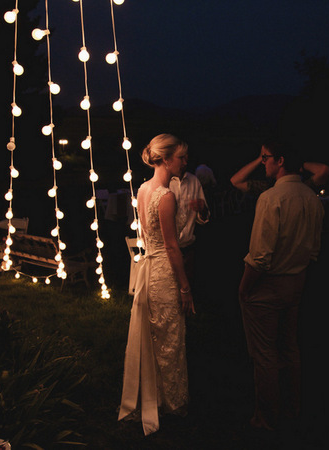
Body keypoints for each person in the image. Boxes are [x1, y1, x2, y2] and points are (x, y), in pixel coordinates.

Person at [237, 141, 324, 432]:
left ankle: (266, 417)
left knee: (265, 355)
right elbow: (313, 250)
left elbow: (260, 256)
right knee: (290, 348)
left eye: (267, 158)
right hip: (297, 282)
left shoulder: (272, 198)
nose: (264, 163)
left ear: (281, 160)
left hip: (269, 286)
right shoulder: (312, 197)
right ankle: (293, 406)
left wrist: (244, 289)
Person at [118, 134, 196, 436]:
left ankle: (154, 397)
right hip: (163, 272)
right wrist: (185, 286)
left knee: (153, 337)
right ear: (165, 159)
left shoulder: (142, 189)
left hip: (147, 270)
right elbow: (172, 247)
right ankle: (171, 403)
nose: (184, 162)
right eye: (181, 157)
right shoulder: (165, 195)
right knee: (170, 339)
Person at [230, 141, 329, 196]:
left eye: (265, 157)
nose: (263, 162)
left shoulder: (301, 186)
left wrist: (300, 165)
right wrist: (260, 158)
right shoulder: (269, 187)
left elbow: (323, 170)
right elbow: (235, 181)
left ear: (280, 161)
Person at [169, 163, 210, 287]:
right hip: (168, 250)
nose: (184, 162)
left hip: (188, 247)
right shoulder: (165, 182)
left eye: (186, 158)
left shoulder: (193, 181)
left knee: (187, 288)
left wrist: (201, 209)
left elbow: (204, 218)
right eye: (180, 158)